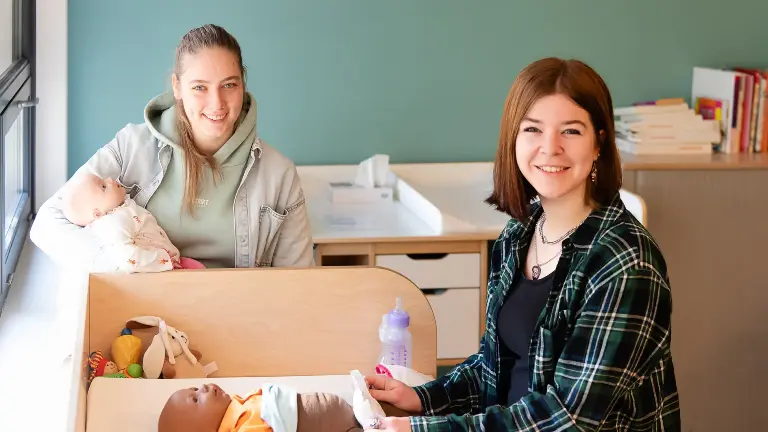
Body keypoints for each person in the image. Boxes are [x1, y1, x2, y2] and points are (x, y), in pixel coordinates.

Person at [363, 58, 681, 431]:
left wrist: (425, 429)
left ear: (599, 143)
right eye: (533, 129)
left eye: (571, 132)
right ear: (513, 139)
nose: (550, 148)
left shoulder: (626, 262)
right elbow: (494, 364)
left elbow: (569, 419)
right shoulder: (519, 234)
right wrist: (422, 398)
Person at [30, 24, 314, 270]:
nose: (217, 104)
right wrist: (127, 267)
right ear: (177, 87)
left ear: (243, 85)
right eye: (199, 87)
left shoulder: (280, 175)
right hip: (145, 312)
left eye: (229, 85)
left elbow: (298, 284)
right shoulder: (131, 148)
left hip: (240, 316)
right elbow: (47, 224)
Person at [59, 172, 205, 273]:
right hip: (158, 270)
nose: (110, 179)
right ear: (97, 213)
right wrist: (163, 261)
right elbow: (128, 258)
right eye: (103, 186)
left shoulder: (121, 209)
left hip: (172, 263)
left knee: (201, 272)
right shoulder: (112, 224)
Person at [157, 383, 363, 432]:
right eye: (195, 399)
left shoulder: (238, 405)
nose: (203, 387)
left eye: (195, 388)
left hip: (342, 410)